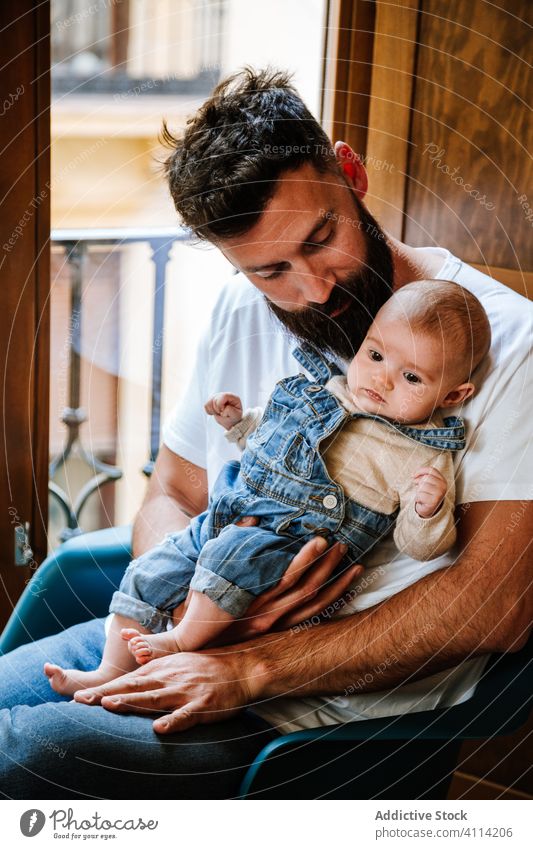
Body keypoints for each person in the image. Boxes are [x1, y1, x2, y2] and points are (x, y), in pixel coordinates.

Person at [0, 68, 531, 800]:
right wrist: (206, 607)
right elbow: (171, 493)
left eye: (322, 237)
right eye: (270, 270)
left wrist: (249, 661)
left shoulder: (512, 345)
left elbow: (498, 603)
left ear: (349, 173)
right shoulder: (237, 312)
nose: (312, 289)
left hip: (308, 714)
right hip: (172, 632)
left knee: (19, 754)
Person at [44, 281, 489, 694]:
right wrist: (239, 424)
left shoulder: (423, 454)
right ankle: (108, 670)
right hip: (230, 508)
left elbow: (422, 545)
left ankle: (180, 642)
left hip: (289, 542)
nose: (383, 379)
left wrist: (427, 511)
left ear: (452, 396)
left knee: (229, 556)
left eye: (411, 378)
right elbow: (274, 437)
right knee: (152, 570)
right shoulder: (329, 389)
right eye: (375, 356)